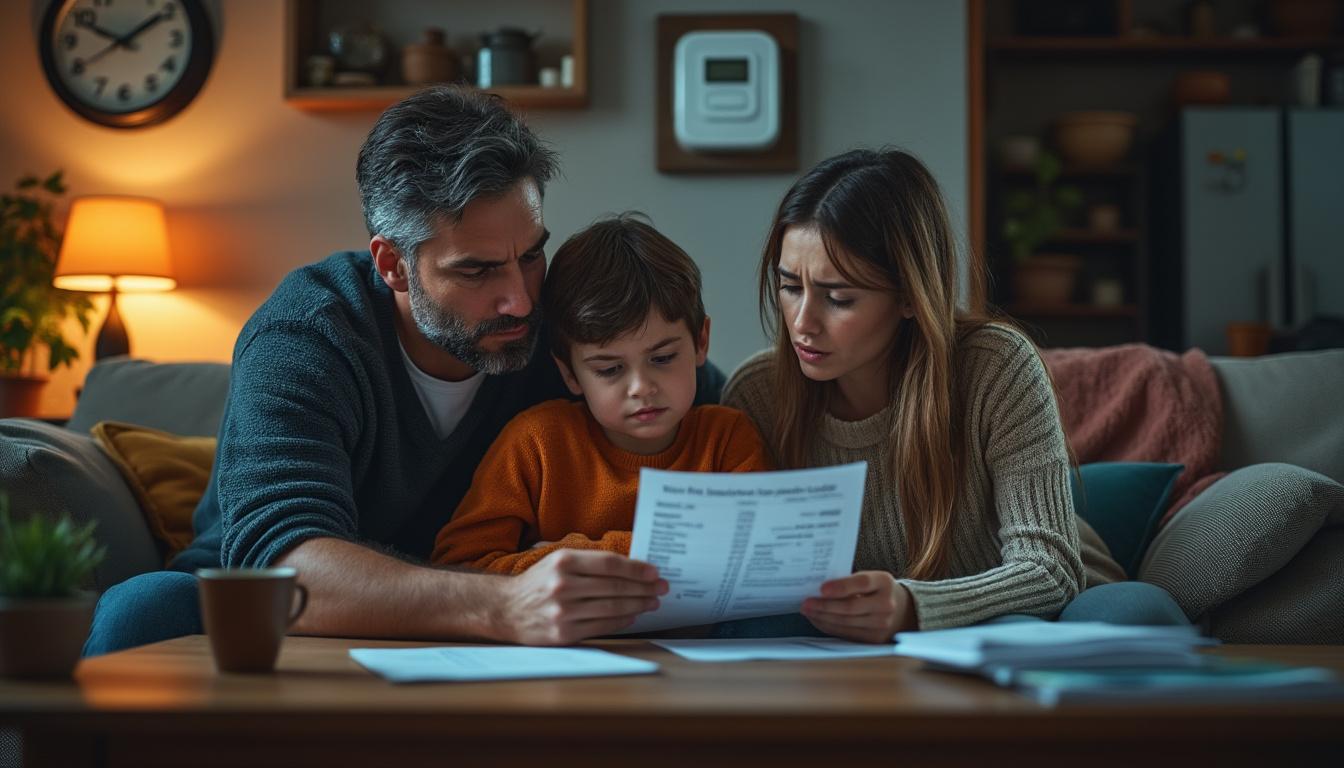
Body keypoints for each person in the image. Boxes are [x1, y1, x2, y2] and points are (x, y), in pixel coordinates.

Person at [83, 86, 726, 655]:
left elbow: (701, 393)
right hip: (285, 619)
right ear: (392, 264)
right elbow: (279, 569)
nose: (521, 300)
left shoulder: (552, 327)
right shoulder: (306, 335)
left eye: (531, 255)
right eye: (476, 270)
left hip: (495, 621)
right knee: (144, 607)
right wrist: (506, 603)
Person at [719, 148, 1187, 643]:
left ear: (908, 296)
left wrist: (913, 606)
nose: (802, 323)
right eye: (790, 287)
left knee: (1057, 624)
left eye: (839, 298)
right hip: (859, 640)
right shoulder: (758, 394)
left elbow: (1049, 568)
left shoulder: (996, 366)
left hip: (1042, 609)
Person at [432, 215, 772, 574]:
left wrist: (568, 554)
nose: (641, 387)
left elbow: (761, 554)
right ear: (569, 373)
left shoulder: (728, 440)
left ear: (701, 342)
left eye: (662, 358)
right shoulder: (537, 444)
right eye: (609, 370)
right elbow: (459, 566)